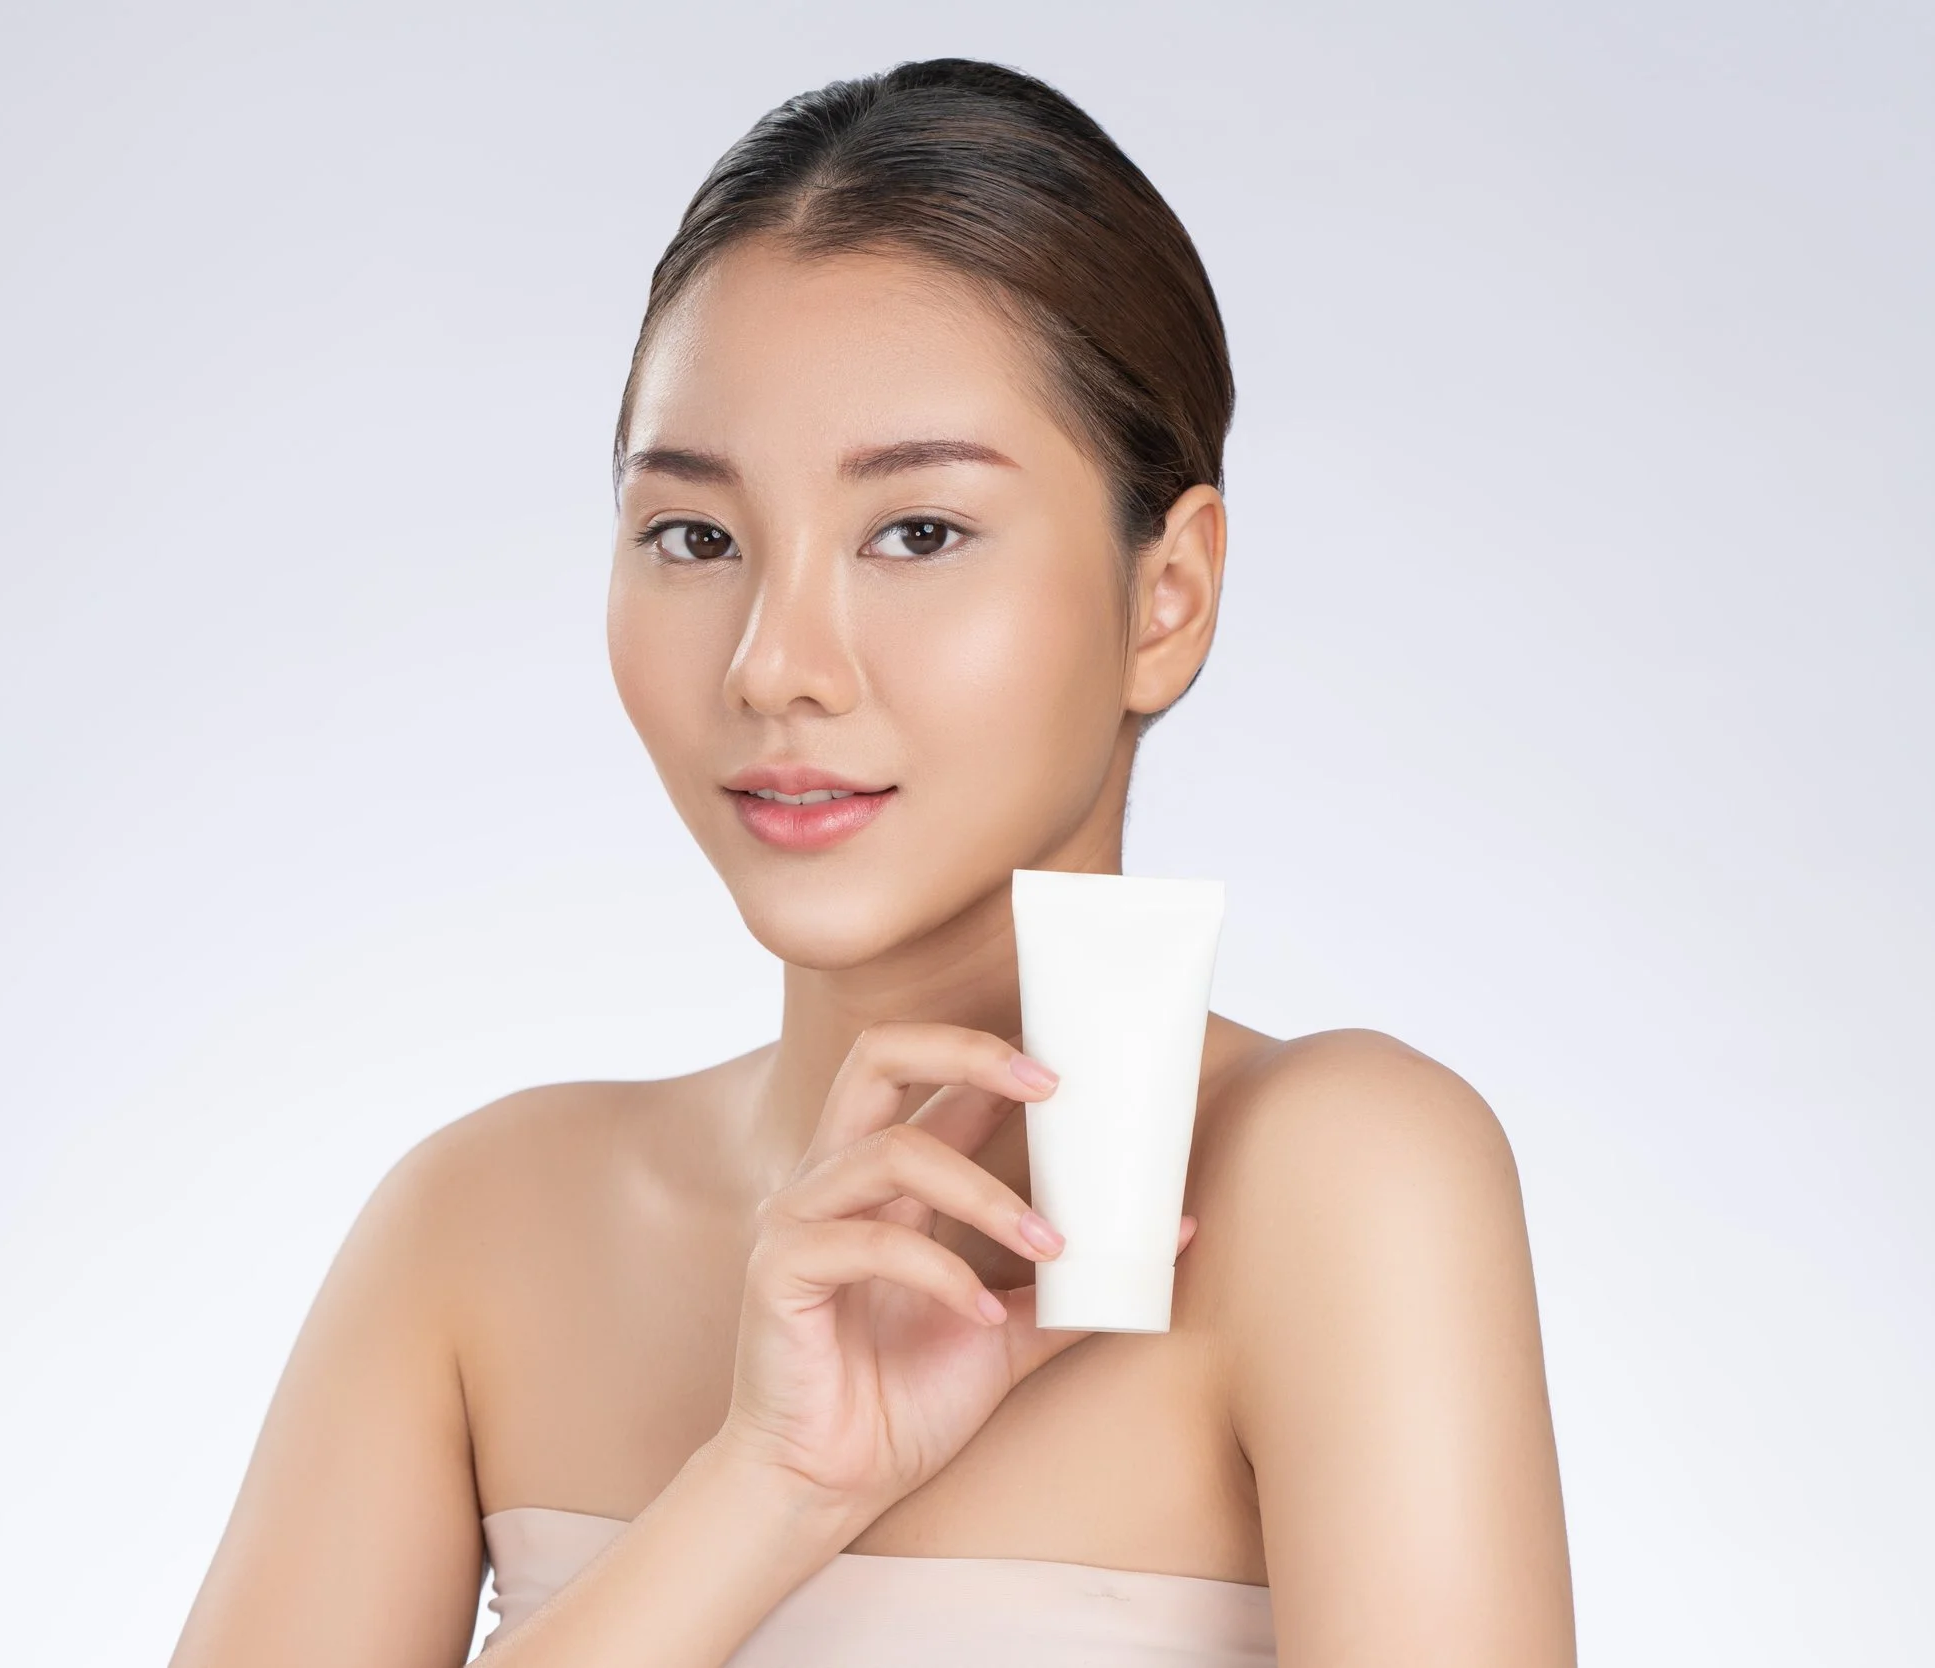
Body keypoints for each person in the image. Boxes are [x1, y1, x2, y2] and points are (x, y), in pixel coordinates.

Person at [169, 57, 1575, 1668]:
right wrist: (760, 1494)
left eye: (917, 531)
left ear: (1168, 595)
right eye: (695, 537)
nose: (777, 664)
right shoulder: (480, 1233)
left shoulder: (1336, 1182)